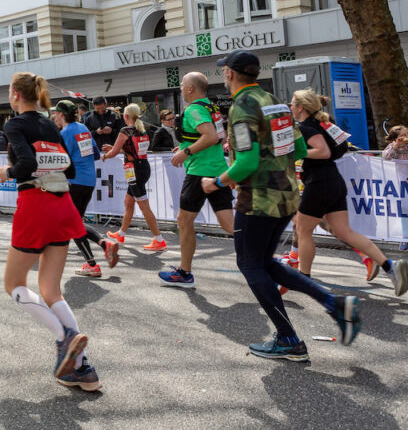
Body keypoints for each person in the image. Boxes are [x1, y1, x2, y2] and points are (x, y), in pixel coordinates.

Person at [201, 51, 361, 361]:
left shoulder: (242, 107)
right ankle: (333, 303)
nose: (224, 76)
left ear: (231, 75)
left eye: (224, 72)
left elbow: (246, 160)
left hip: (258, 200)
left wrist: (217, 182)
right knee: (265, 263)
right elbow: (299, 147)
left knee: (249, 264)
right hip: (288, 195)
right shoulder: (274, 100)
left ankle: (289, 338)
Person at [0, 72, 99, 391]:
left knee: (14, 284)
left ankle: (64, 337)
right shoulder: (50, 125)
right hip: (61, 205)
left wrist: (7, 172)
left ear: (15, 94)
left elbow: (25, 165)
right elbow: (68, 166)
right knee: (51, 290)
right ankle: (83, 370)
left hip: (35, 206)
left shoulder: (15, 124)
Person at [289, 88, 407, 295]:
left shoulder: (306, 127)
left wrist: (297, 152)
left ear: (301, 107)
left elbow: (323, 152)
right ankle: (390, 266)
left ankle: (304, 279)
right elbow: (342, 147)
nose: (290, 107)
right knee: (344, 232)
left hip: (318, 184)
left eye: (292, 103)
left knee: (302, 230)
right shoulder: (325, 123)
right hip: (333, 181)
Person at [160, 72, 233, 288]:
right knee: (230, 225)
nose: (181, 88)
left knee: (183, 220)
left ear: (191, 89)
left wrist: (187, 152)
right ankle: (268, 258)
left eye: (183, 85)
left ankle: (185, 273)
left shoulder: (194, 109)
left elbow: (210, 136)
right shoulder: (212, 107)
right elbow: (219, 138)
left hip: (200, 172)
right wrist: (183, 147)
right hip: (218, 169)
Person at [51, 100, 119, 278]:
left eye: (55, 114)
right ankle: (99, 252)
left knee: (71, 224)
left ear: (61, 114)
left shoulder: (65, 132)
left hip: (74, 180)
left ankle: (96, 257)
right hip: (89, 180)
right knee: (75, 222)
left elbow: (60, 161)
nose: (54, 117)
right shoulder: (83, 129)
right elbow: (96, 154)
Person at [104, 104, 167, 251]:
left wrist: (106, 155)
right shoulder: (141, 129)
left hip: (134, 171)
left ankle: (159, 240)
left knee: (144, 207)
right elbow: (133, 149)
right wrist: (116, 150)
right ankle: (121, 233)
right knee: (128, 201)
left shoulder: (125, 130)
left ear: (126, 116)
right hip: (143, 167)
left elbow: (114, 153)